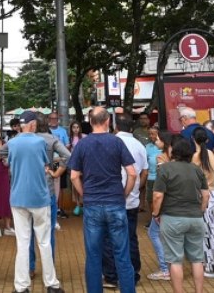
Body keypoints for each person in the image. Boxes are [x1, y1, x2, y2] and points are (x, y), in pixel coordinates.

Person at [68, 106, 137, 293]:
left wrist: (84, 195)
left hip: (92, 205)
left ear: (90, 122)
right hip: (115, 202)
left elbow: (74, 176)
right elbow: (132, 173)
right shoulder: (116, 142)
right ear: (108, 122)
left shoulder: (82, 144)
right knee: (122, 255)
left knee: (93, 256)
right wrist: (124, 194)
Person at [6, 110, 65, 293]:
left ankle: (21, 286)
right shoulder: (40, 142)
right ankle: (51, 284)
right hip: (39, 197)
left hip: (17, 197)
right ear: (32, 124)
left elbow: (9, 165)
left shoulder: (12, 143)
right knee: (44, 241)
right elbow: (45, 163)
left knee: (22, 243)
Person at [152, 133, 210, 293]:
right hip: (195, 218)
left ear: (173, 152)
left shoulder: (165, 169)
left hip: (172, 217)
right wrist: (201, 210)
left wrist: (155, 213)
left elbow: (158, 195)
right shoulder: (197, 170)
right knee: (197, 259)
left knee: (175, 260)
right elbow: (206, 194)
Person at [104, 113, 146, 288]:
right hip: (132, 200)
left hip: (112, 198)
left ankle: (112, 276)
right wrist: (136, 188)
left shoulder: (110, 142)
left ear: (116, 126)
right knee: (130, 237)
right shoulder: (139, 145)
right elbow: (144, 171)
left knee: (108, 238)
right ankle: (133, 274)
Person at [190, 127, 214, 279]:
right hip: (213, 193)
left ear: (193, 139)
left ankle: (211, 266)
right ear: (207, 140)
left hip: (201, 196)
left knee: (205, 233)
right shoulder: (210, 153)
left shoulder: (195, 157)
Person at [144, 126, 169, 281]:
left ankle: (165, 268)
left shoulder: (162, 159)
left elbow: (159, 192)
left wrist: (156, 212)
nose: (155, 139)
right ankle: (173, 266)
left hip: (164, 203)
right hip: (175, 204)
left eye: (158, 137)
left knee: (154, 233)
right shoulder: (179, 159)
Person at [69, 121, 85, 216]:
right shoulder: (69, 138)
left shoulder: (84, 137)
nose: (75, 129)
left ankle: (84, 203)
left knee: (84, 183)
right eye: (73, 127)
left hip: (83, 164)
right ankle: (78, 204)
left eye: (77, 127)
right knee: (75, 185)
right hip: (74, 164)